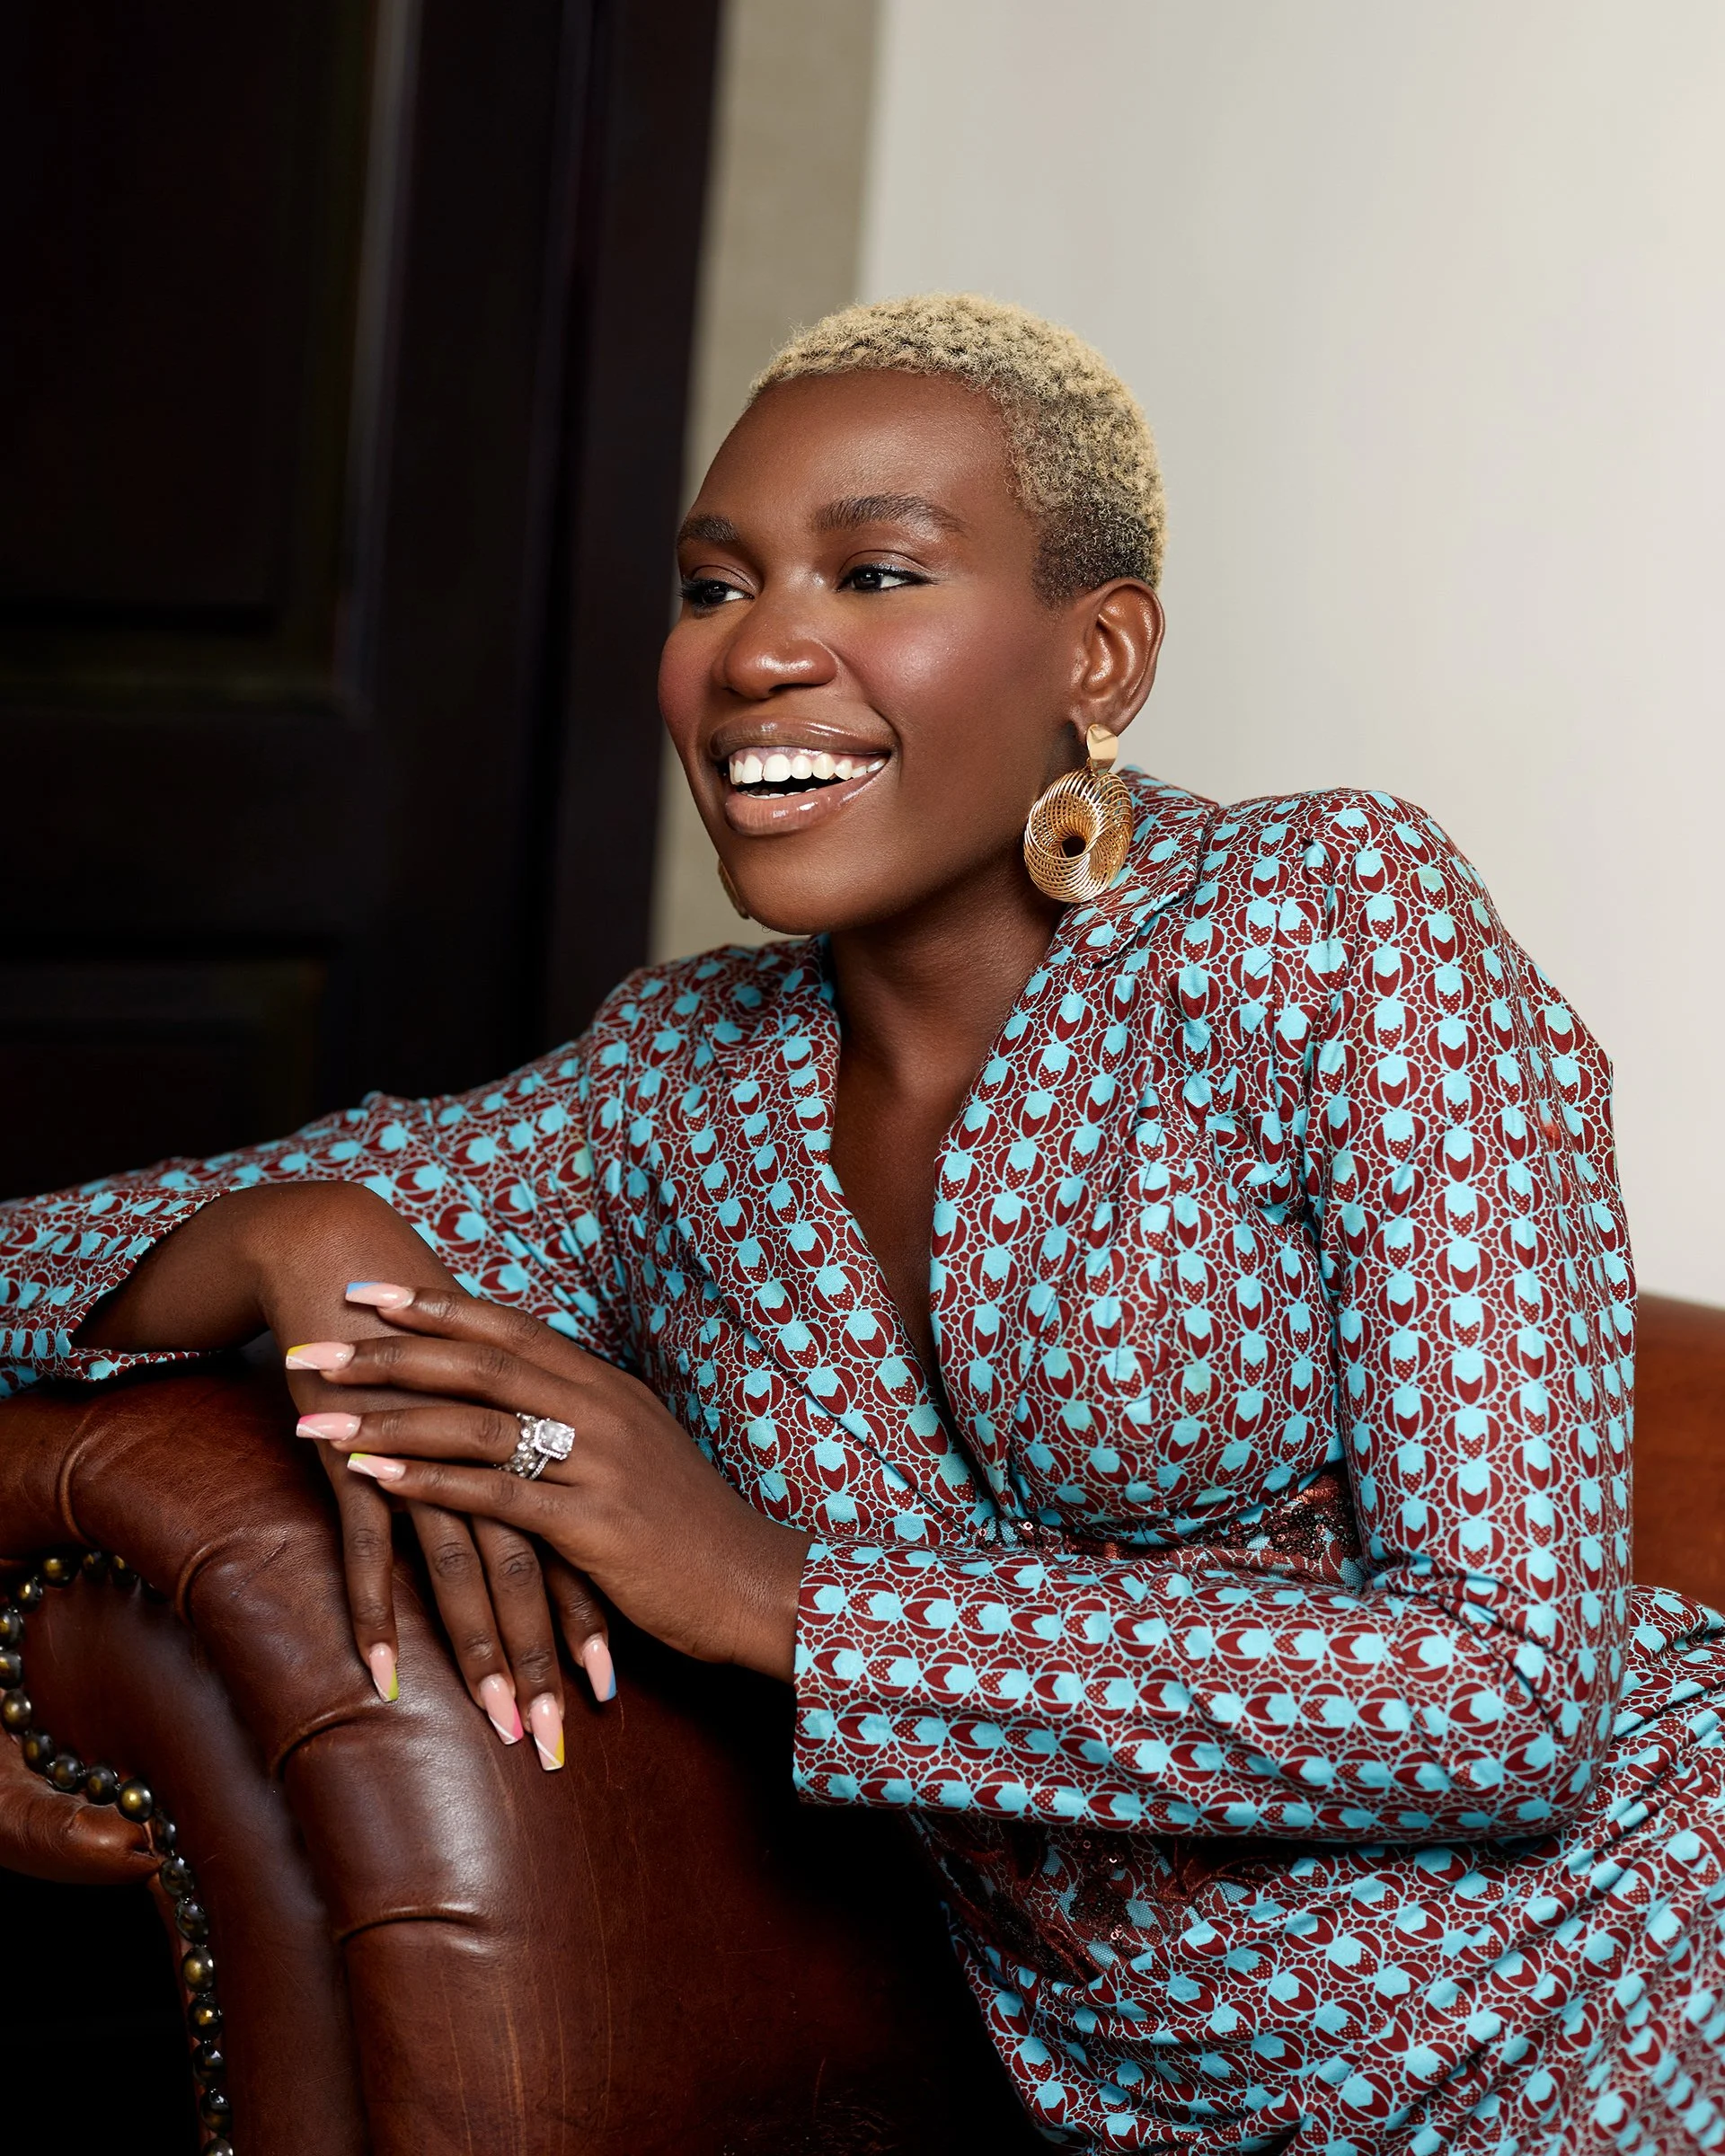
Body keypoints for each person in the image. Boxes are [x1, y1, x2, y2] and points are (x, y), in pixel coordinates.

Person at [2, 293, 1720, 2152]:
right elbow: (31, 1262)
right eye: (716, 587)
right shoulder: (671, 1091)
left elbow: (1512, 1692)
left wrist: (772, 1595)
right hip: (1180, 2110)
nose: (761, 653)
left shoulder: (1329, 920)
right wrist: (300, 1230)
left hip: (1649, 1973)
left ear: (1104, 656)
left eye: (878, 572)